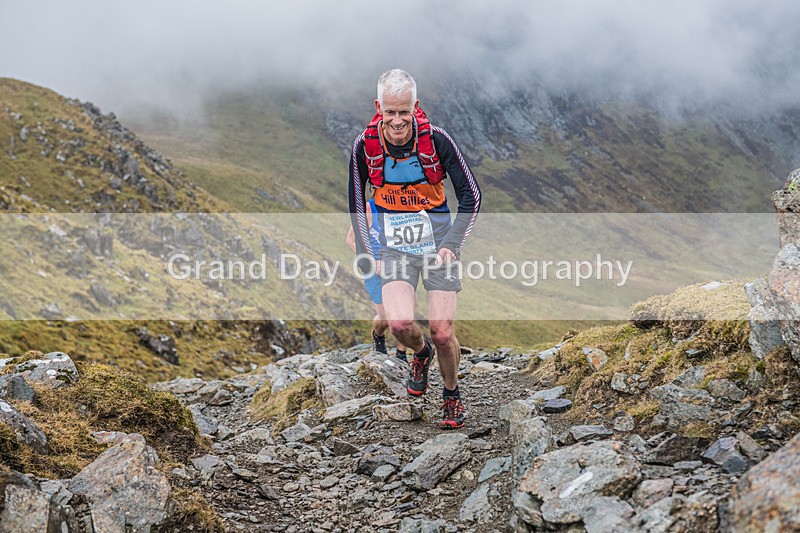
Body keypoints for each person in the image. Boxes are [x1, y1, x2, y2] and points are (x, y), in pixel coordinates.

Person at [348, 69, 481, 429]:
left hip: (439, 246)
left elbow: (472, 196)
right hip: (395, 248)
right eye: (390, 112)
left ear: (415, 107)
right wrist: (369, 254)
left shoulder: (437, 140)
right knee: (399, 324)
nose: (397, 120)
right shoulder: (364, 146)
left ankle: (451, 395)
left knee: (442, 331)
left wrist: (452, 244)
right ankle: (421, 353)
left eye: (403, 112)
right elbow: (357, 205)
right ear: (378, 108)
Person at [346, 197, 408, 360]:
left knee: (404, 314)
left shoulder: (402, 204)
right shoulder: (368, 208)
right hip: (375, 270)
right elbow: (351, 241)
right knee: (385, 319)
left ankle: (401, 354)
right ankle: (378, 335)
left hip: (399, 267)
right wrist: (373, 263)